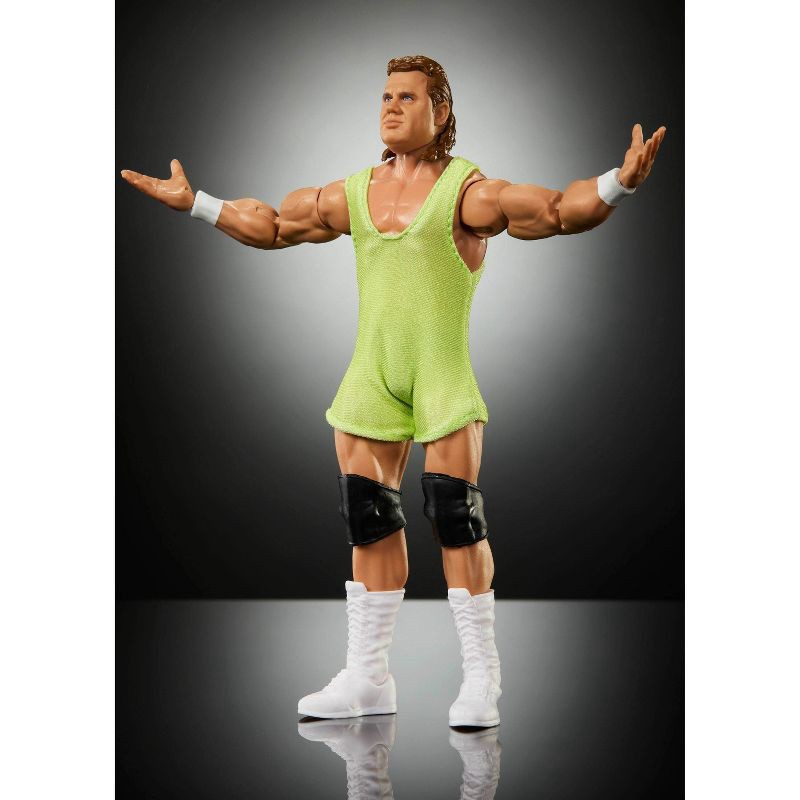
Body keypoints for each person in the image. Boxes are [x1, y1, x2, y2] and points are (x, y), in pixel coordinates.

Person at [121, 54, 665, 729]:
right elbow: (276, 225)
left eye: (408, 96)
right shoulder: (353, 193)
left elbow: (555, 210)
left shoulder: (468, 193)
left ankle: (482, 679)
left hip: (441, 372)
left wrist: (619, 183)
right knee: (367, 517)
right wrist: (198, 203)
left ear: (441, 111)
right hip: (372, 374)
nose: (391, 106)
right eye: (386, 96)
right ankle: (367, 679)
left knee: (455, 516)